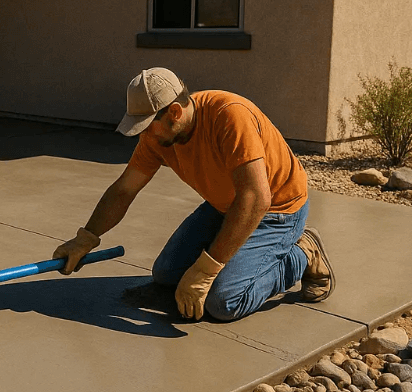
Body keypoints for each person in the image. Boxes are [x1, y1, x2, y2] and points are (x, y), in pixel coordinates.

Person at [53, 67, 335, 322]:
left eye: (148, 127)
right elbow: (124, 189)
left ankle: (302, 253)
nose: (144, 137)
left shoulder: (230, 116)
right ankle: (234, 259)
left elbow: (257, 199)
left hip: (277, 211)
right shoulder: (158, 137)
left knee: (224, 302)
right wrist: (86, 238)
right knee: (166, 275)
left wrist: (207, 269)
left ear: (174, 112)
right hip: (225, 205)